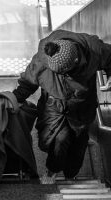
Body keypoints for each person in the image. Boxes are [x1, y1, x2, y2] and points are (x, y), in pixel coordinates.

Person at [13, 29, 111, 182]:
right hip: (54, 104)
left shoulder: (94, 49)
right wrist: (14, 99)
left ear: (77, 60)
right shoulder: (43, 58)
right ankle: (52, 170)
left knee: (79, 145)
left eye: (66, 71)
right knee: (59, 139)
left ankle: (70, 176)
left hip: (83, 105)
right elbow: (28, 81)